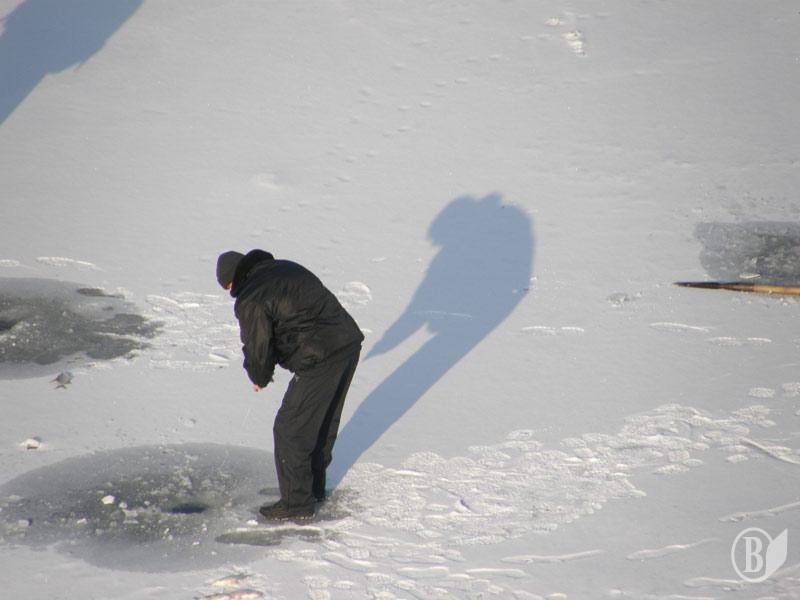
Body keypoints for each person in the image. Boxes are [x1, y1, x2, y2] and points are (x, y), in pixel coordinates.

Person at [216, 249, 364, 520]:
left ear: (232, 281)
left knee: (289, 429)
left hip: (320, 357)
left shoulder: (250, 297)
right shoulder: (284, 267)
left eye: (228, 289)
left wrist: (258, 377)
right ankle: (313, 490)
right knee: (320, 422)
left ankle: (297, 505)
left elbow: (259, 345)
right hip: (347, 343)